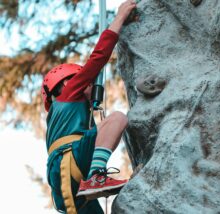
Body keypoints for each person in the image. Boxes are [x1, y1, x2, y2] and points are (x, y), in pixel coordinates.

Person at [41, 1, 137, 213]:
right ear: (66, 82)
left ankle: (93, 178)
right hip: (69, 160)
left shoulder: (67, 113)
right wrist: (120, 17)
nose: (92, 83)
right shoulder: (68, 93)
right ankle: (96, 176)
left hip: (66, 174)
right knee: (118, 118)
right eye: (86, 80)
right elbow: (98, 57)